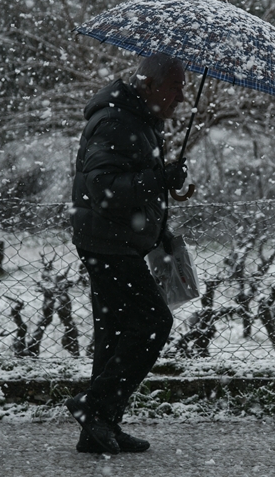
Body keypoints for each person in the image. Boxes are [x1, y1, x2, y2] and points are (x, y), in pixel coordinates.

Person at [66, 52, 187, 454]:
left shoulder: (138, 118)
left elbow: (128, 179)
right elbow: (102, 187)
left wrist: (166, 184)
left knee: (114, 334)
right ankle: (93, 406)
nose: (183, 98)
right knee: (154, 322)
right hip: (108, 242)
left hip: (113, 239)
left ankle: (99, 430)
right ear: (150, 85)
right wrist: (157, 179)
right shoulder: (118, 120)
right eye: (177, 88)